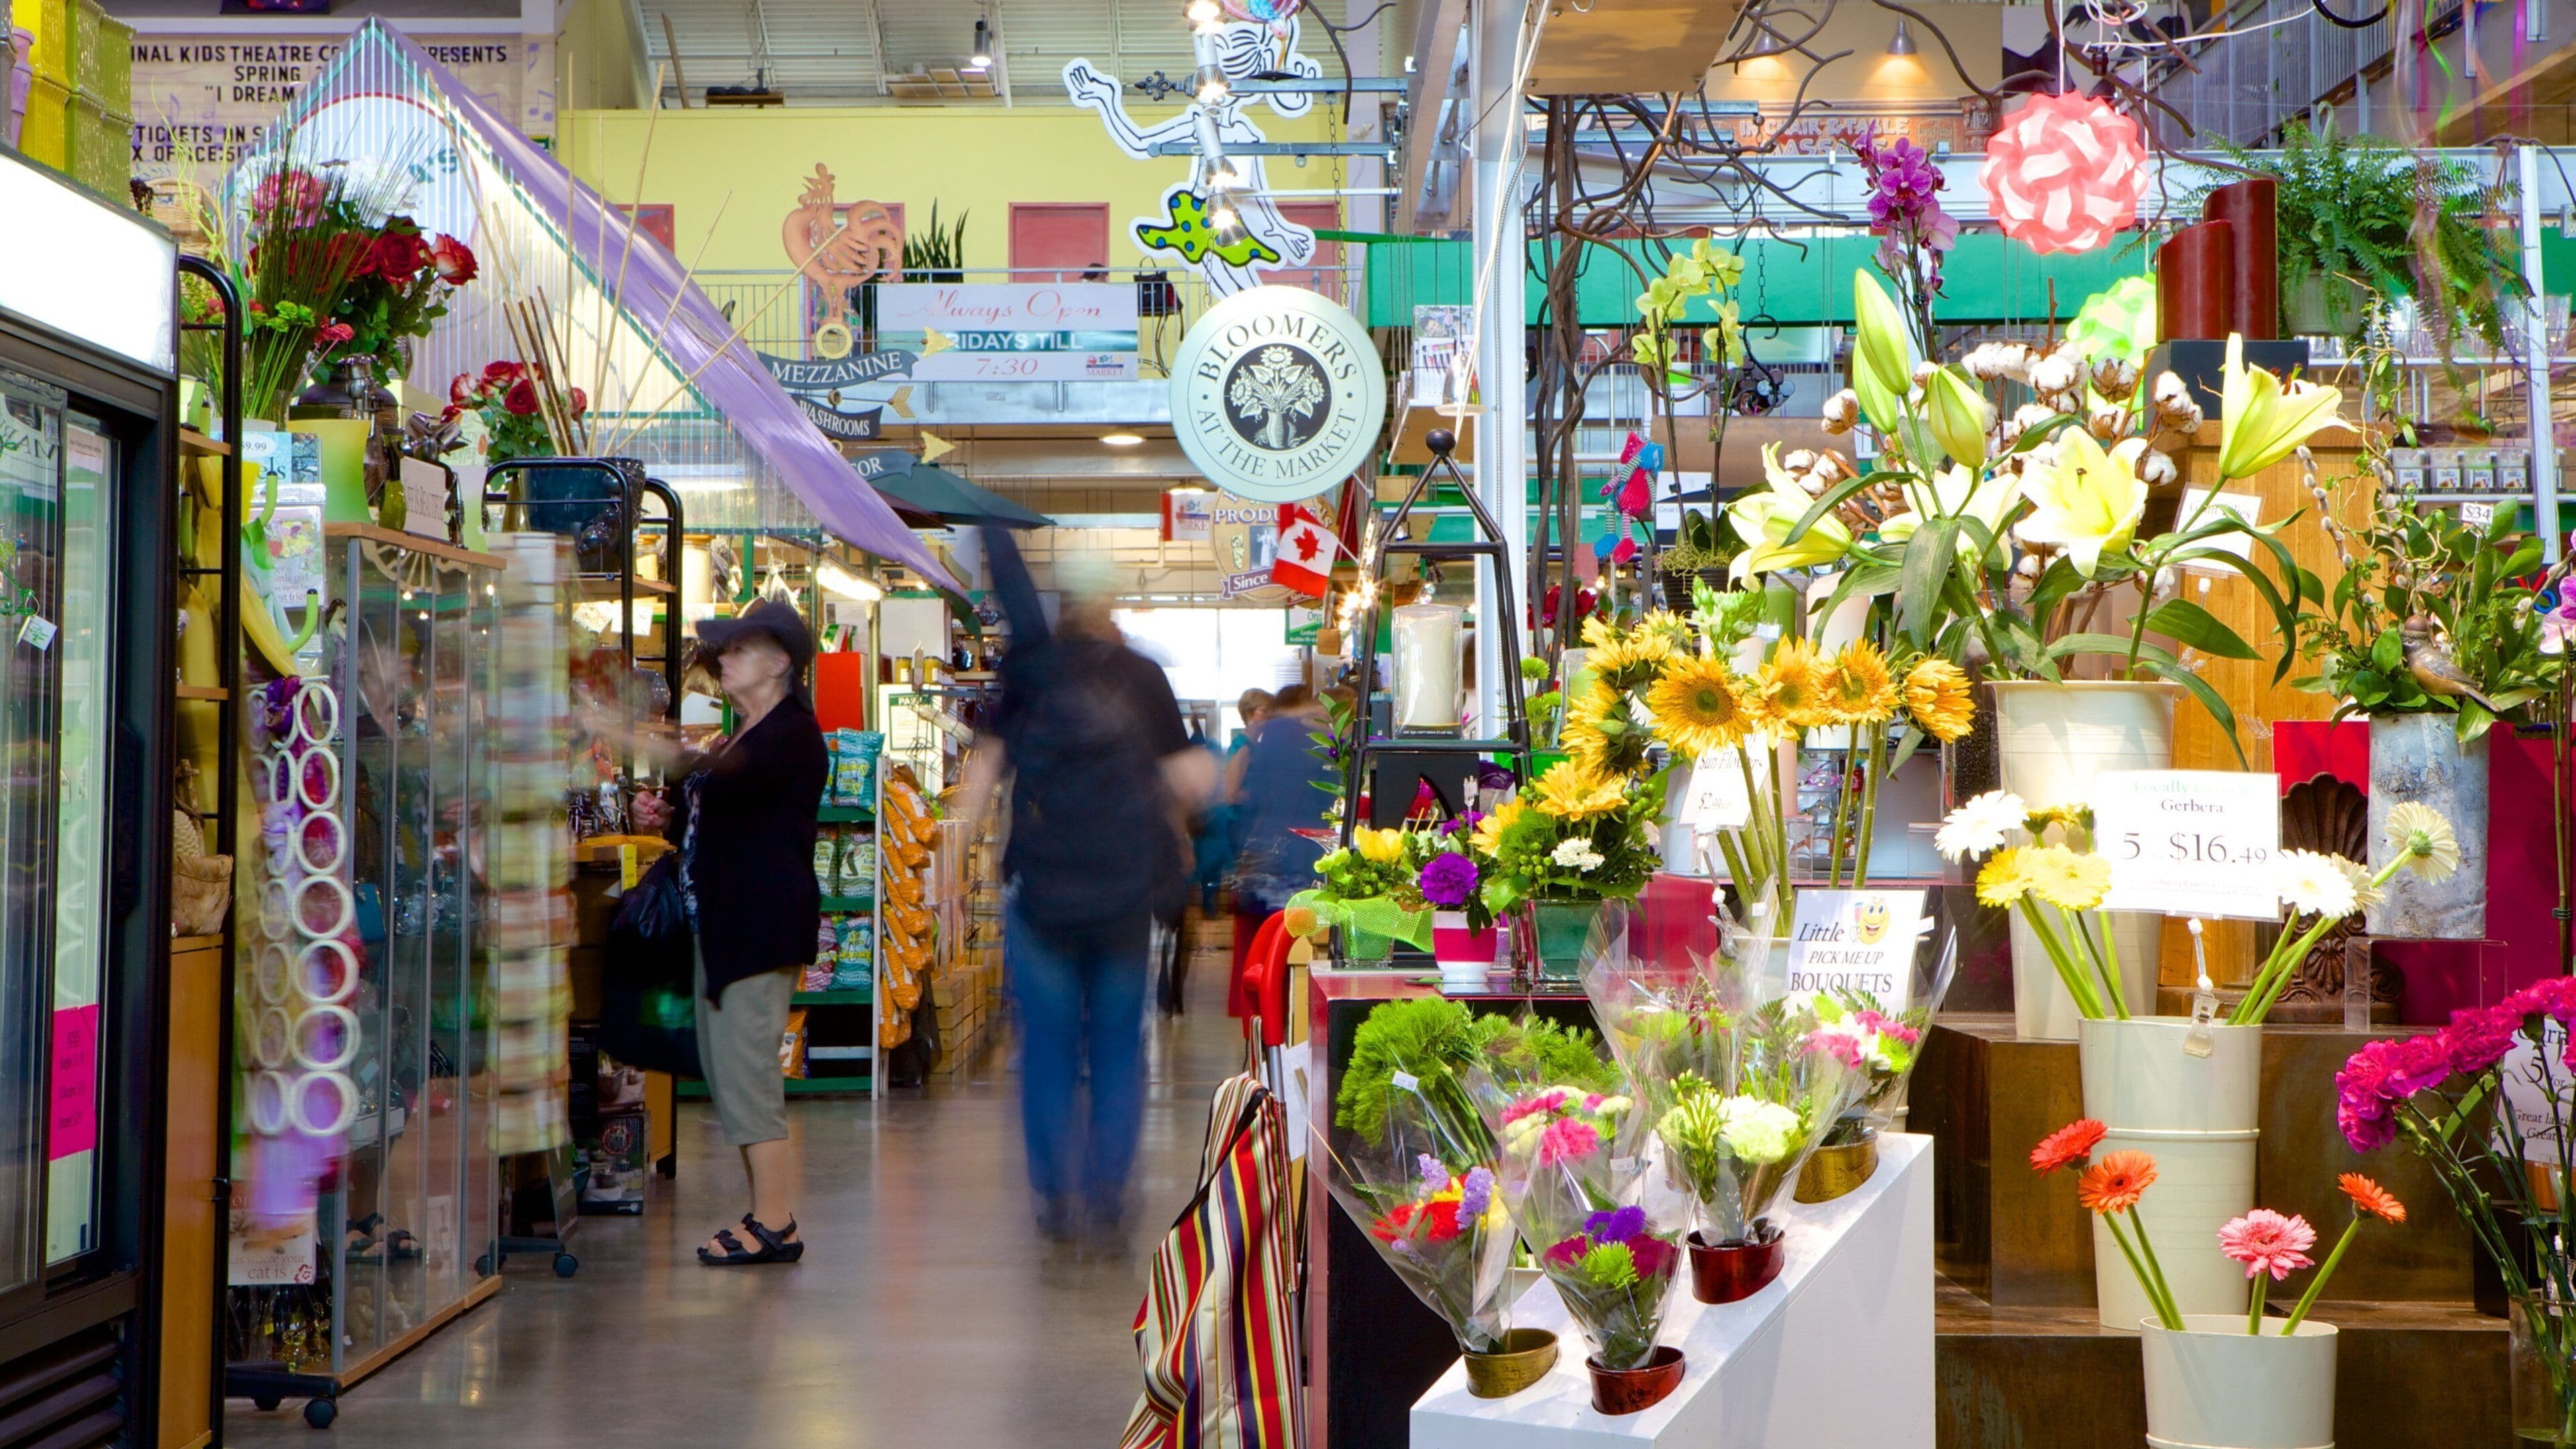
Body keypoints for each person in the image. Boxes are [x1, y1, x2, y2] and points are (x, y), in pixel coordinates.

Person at [958, 531, 1213, 1248]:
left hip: (1041, 890)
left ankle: (1053, 1201)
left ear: (1061, 600)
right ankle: (1107, 1194)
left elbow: (981, 780)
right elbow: (1193, 781)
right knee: (1114, 1048)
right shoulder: (1141, 678)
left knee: (1044, 1047)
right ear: (1112, 601)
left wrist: (954, 867)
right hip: (1123, 896)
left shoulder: (1028, 673)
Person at [630, 599, 827, 1267]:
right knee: (729, 1073)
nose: (727, 660)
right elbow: (719, 801)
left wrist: (660, 752)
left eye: (742, 649)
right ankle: (764, 1212)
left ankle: (776, 1221)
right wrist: (668, 806)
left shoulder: (791, 734)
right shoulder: (743, 732)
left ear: (780, 663)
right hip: (729, 927)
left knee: (747, 1078)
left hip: (759, 928)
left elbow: (736, 782)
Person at [1224, 683, 1332, 1018]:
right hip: (1294, 858)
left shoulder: (1267, 741)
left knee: (1261, 949)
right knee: (1291, 946)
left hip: (1263, 855)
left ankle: (1262, 1019)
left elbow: (1253, 799)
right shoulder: (1305, 742)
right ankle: (1287, 1019)